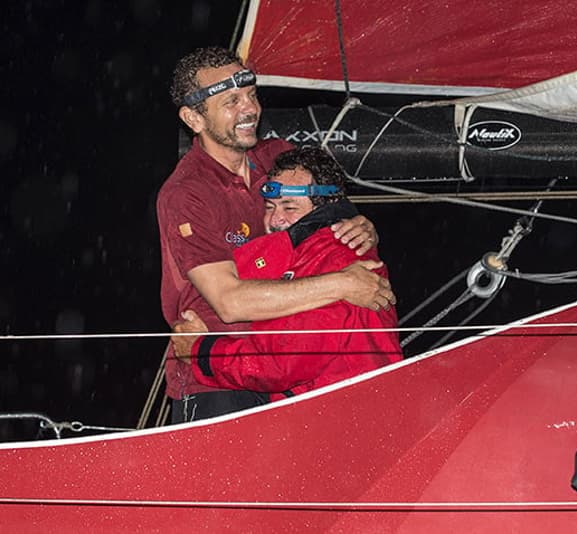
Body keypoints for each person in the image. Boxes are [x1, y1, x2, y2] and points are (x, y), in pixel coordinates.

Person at [158, 47, 394, 422]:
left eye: (251, 94)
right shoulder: (187, 194)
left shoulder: (278, 158)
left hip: (287, 373)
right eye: (231, 101)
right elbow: (230, 302)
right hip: (214, 381)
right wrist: (344, 284)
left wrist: (361, 224)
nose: (250, 109)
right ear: (193, 118)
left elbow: (332, 213)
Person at [171, 146, 403, 401]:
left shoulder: (338, 259)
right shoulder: (301, 256)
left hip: (344, 414)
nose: (275, 220)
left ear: (327, 207)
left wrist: (201, 351)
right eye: (269, 207)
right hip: (337, 411)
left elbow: (281, 364)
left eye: (289, 207)